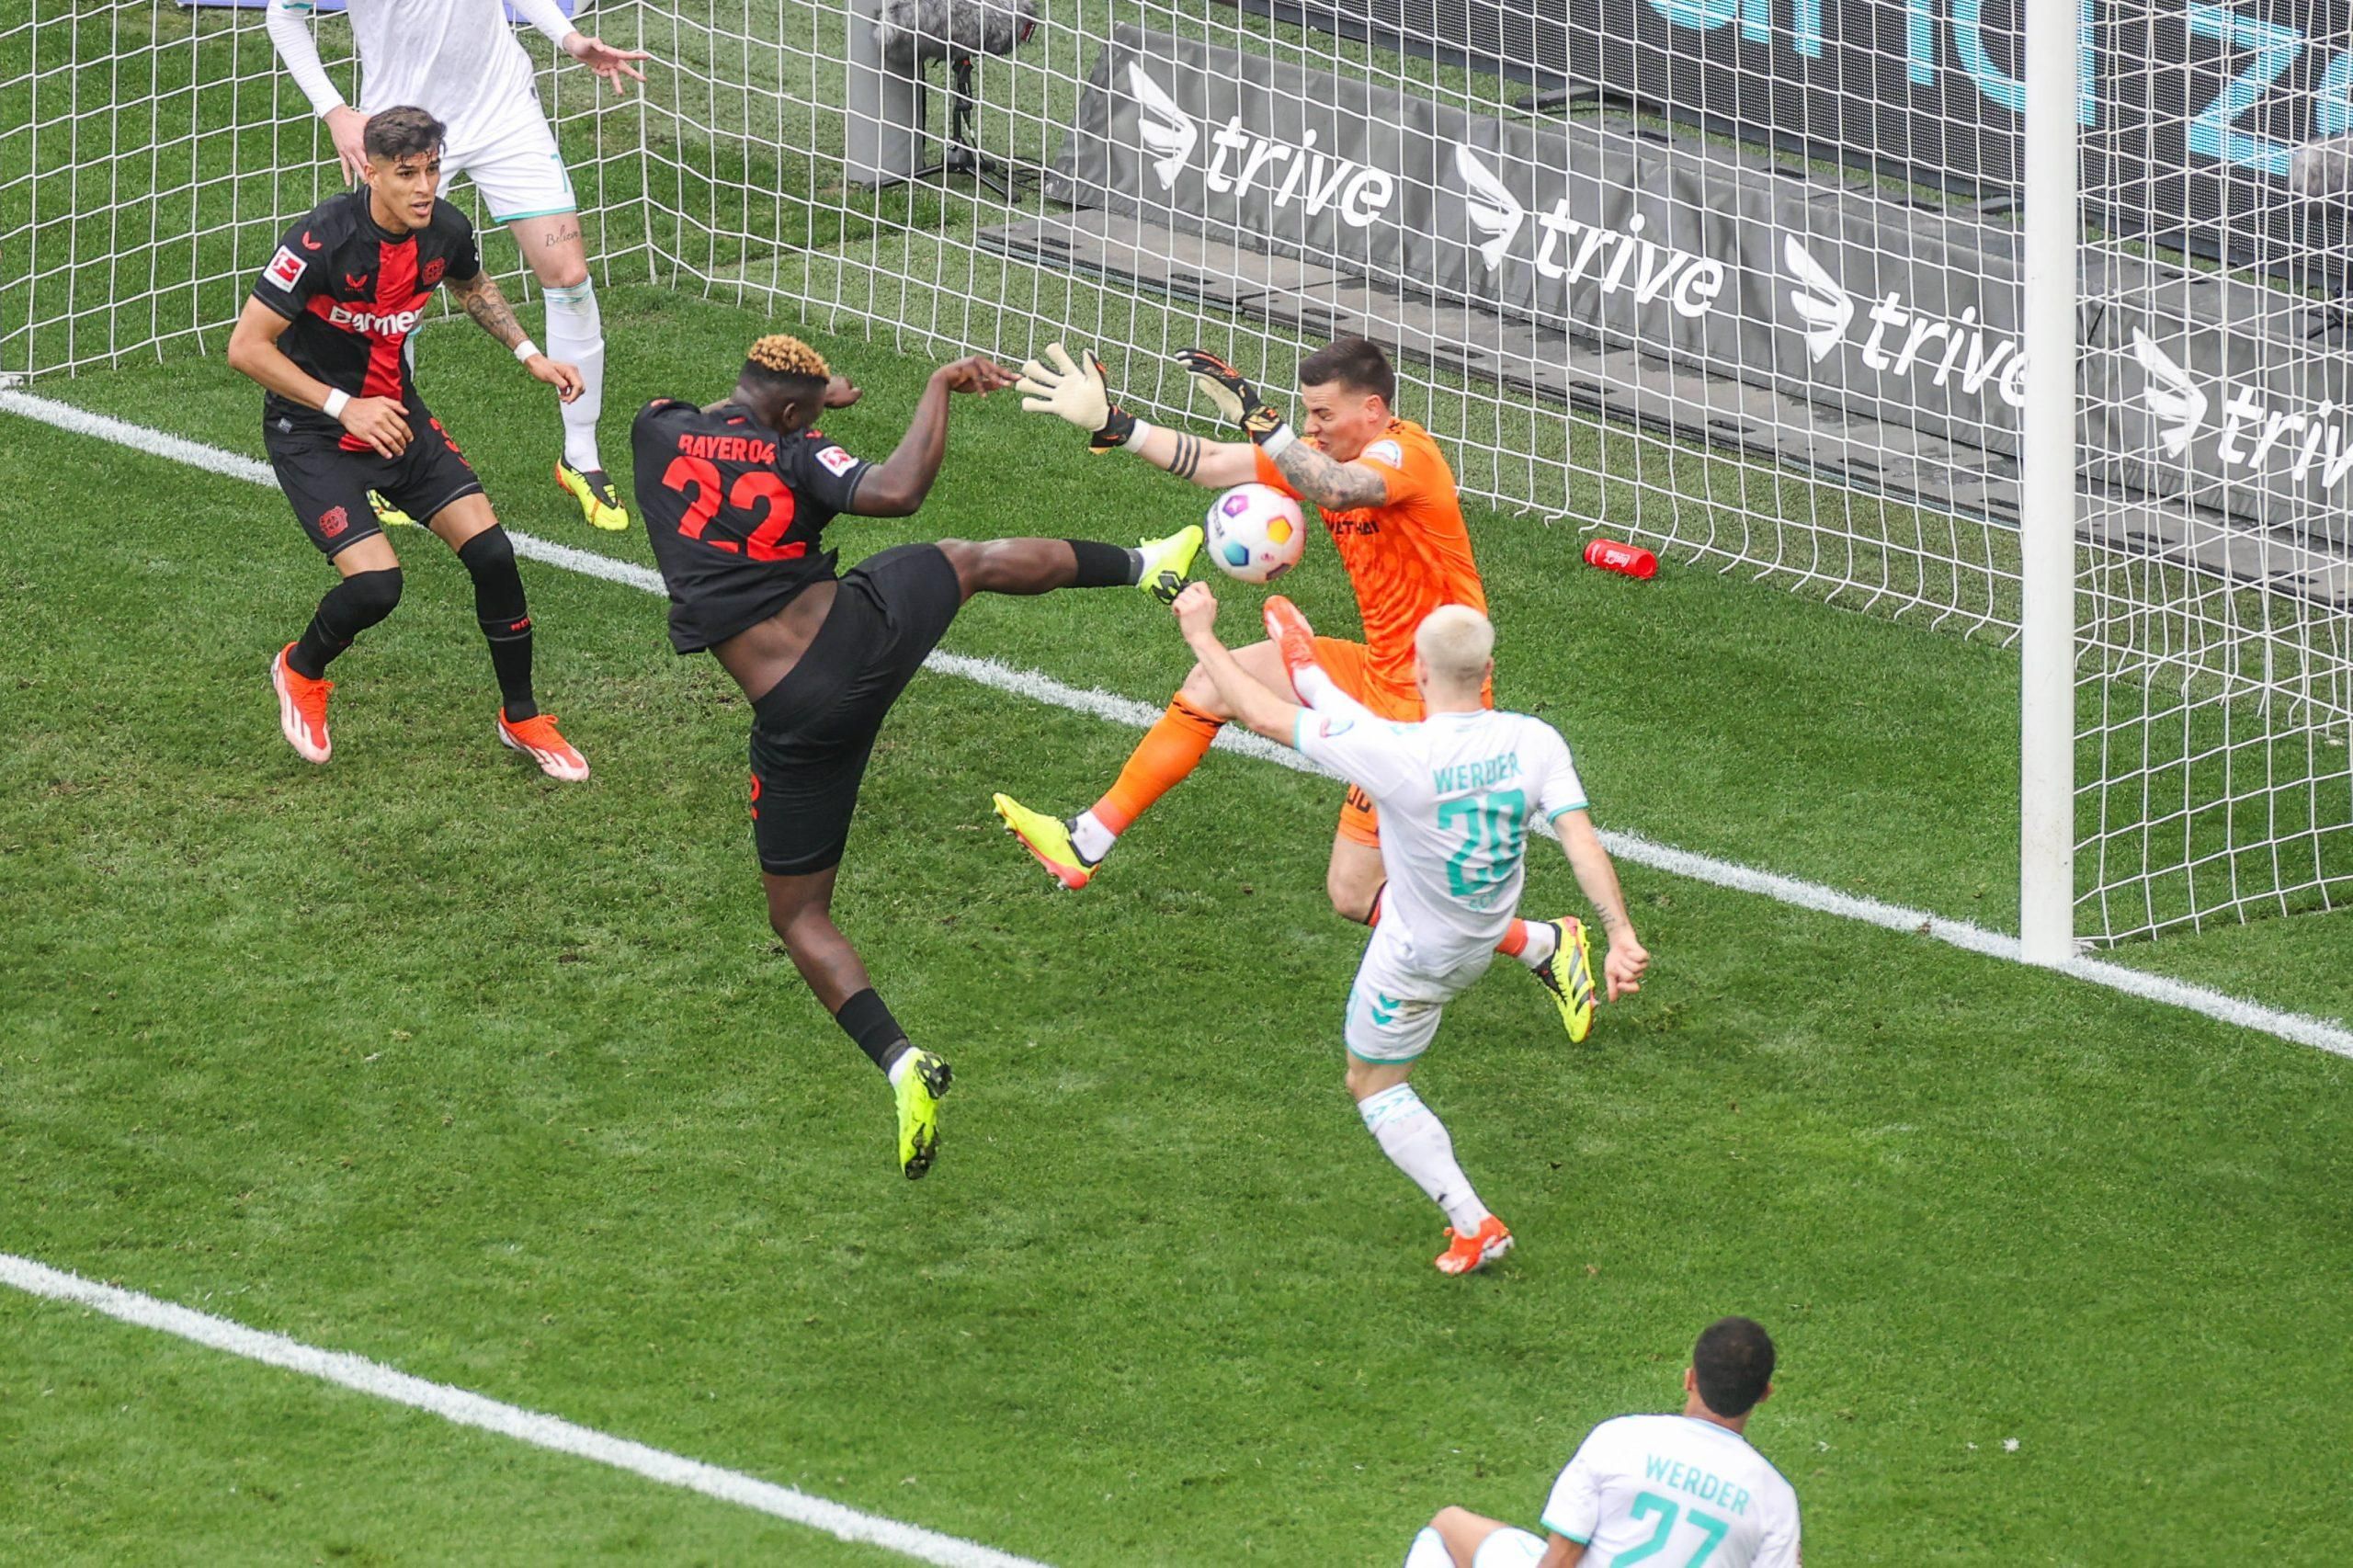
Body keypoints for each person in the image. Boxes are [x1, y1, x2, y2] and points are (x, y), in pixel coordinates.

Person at [631, 334, 1203, 1180]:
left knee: (797, 916)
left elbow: (729, 420)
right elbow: (896, 492)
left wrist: (810, 402)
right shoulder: (796, 453)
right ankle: (1148, 565)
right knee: (965, 563)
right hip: (855, 638)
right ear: (792, 414)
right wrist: (935, 386)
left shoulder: (656, 428)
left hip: (793, 717)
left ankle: (903, 1062)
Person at [999, 336, 1602, 1040]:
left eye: (1323, 414)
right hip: (1380, 668)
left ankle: (1543, 944)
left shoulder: (1405, 457)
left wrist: (1270, 425)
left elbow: (1336, 490)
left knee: (1352, 894)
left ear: (1373, 411)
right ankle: (1086, 843)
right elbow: (1217, 465)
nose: (1312, 428)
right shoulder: (1325, 455)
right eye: (1306, 416)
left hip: (1428, 710)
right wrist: (1117, 426)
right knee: (1214, 681)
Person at [1169, 583, 1647, 1271]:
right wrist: (1621, 933)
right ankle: (1545, 941)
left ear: (1418, 674)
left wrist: (1202, 638)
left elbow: (1266, 716)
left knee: (1373, 1085)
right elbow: (1581, 841)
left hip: (1419, 961)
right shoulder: (1533, 741)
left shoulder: (1397, 754)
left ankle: (1473, 1221)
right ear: (1486, 672)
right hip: (1478, 937)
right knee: (1376, 909)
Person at [229, 106, 589, 779]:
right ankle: (300, 669)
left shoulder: (445, 228)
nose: (425, 187)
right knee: (377, 588)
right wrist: (345, 407)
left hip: (396, 418)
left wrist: (529, 355)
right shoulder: (320, 240)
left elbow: (472, 284)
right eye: (407, 174)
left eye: (432, 170)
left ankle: (521, 716)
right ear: (370, 172)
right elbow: (246, 348)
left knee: (493, 553)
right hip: (312, 429)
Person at [265, 0, 651, 532]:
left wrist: (570, 39)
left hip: (502, 109)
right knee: (386, 293)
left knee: (570, 276)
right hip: (402, 132)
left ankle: (581, 457)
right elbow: (282, 14)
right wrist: (335, 111)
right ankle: (383, 457)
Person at [1406, 1318, 1800, 1567]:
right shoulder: (1775, 1499)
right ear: (1764, 1393)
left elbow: (1561, 1559)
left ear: (1690, 1379)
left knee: (1447, 1527)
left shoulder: (1621, 1438)